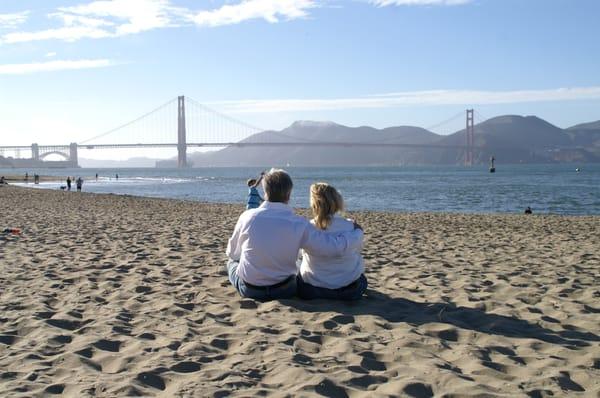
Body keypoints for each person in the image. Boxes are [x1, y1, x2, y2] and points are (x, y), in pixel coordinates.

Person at [226, 169, 364, 301]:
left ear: (265, 192)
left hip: (250, 290)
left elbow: (232, 253)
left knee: (232, 261)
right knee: (298, 263)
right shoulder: (300, 224)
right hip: (284, 290)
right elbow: (330, 247)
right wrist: (357, 232)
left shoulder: (247, 217)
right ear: (289, 194)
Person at [297, 183, 368, 300]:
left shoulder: (308, 228)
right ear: (336, 202)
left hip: (313, 290)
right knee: (361, 278)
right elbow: (358, 250)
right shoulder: (351, 227)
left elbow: (299, 254)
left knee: (299, 264)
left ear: (314, 204)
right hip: (350, 290)